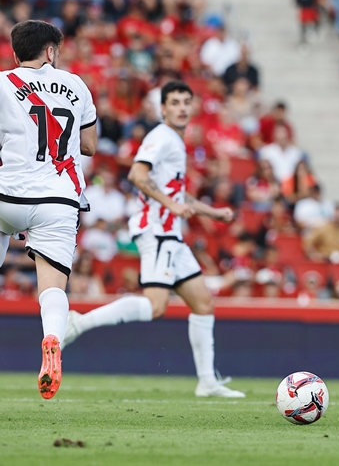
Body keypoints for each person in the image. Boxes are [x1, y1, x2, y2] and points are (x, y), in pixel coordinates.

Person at [62, 81, 244, 398]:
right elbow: (137, 175)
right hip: (156, 230)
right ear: (162, 109)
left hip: (170, 232)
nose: (182, 108)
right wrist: (172, 205)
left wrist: (210, 212)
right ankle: (78, 323)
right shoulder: (161, 137)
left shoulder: (174, 139)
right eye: (174, 102)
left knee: (203, 303)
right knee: (155, 305)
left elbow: (176, 192)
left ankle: (207, 382)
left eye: (187, 101)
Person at [0, 20, 98, 399]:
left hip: (7, 193)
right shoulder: (76, 85)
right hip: (58, 198)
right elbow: (88, 145)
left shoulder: (4, 83)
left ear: (15, 52)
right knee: (52, 287)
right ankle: (53, 338)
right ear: (51, 52)